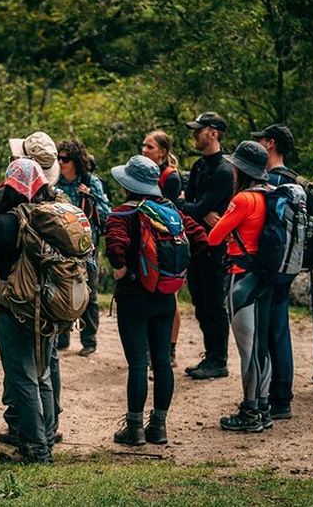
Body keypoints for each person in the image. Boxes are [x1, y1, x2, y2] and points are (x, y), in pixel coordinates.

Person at [106, 155, 207, 445]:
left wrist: (120, 268)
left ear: (127, 185)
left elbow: (115, 246)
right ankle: (159, 427)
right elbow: (200, 238)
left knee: (138, 364)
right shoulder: (171, 210)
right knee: (162, 362)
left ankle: (134, 428)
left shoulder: (122, 214)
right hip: (165, 297)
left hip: (133, 298)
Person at [0, 132, 64, 448]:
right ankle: (48, 431)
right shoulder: (57, 206)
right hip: (52, 300)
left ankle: (30, 439)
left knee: (21, 372)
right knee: (45, 369)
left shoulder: (2, 215)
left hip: (15, 299)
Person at [207, 141, 274, 432]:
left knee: (247, 349)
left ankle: (249, 413)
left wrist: (220, 223)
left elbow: (213, 237)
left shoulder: (244, 199)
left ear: (241, 170)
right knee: (261, 347)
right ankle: (263, 407)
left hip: (242, 276)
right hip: (265, 275)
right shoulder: (270, 194)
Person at [182, 112, 234, 379]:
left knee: (213, 303)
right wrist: (198, 210)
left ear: (213, 133)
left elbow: (193, 204)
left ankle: (219, 359)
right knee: (200, 303)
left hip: (216, 247)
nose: (195, 134)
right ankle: (210, 354)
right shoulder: (199, 166)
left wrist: (195, 208)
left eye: (199, 130)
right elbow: (188, 205)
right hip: (196, 244)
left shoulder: (225, 170)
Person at [252, 124, 297, 420]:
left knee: (270, 332)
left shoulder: (271, 181)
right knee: (280, 329)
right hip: (288, 264)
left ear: (270, 144)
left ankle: (276, 397)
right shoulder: (293, 180)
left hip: (269, 266)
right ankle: (281, 395)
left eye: (260, 140)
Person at [54, 140, 111, 357]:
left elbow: (106, 213)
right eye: (58, 158)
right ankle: (61, 338)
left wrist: (90, 197)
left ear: (76, 161)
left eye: (65, 159)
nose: (60, 162)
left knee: (88, 293)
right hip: (60, 245)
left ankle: (89, 340)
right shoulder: (55, 181)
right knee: (61, 290)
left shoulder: (90, 182)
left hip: (86, 246)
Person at [142, 130, 183, 366]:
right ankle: (151, 348)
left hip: (166, 241)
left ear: (163, 152)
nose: (144, 150)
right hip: (147, 238)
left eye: (150, 147)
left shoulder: (171, 177)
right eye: (144, 146)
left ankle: (170, 348)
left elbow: (168, 212)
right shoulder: (143, 173)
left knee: (170, 295)